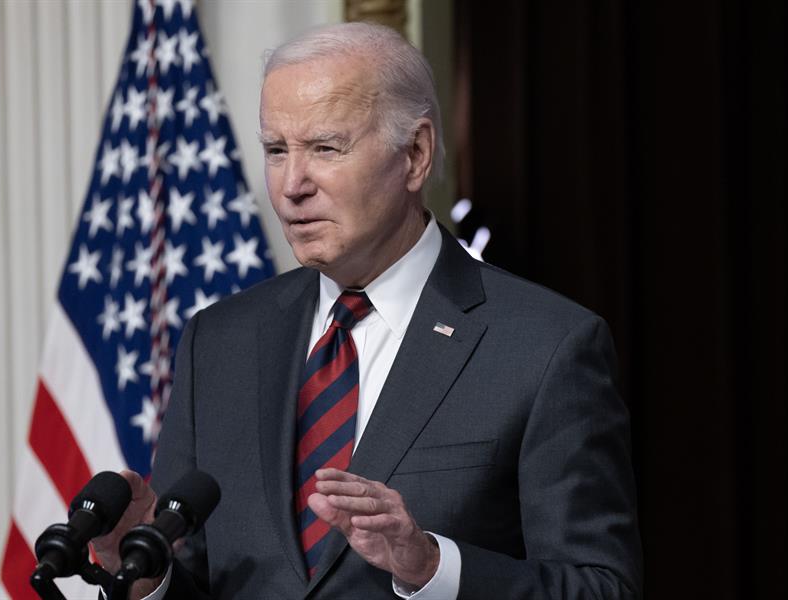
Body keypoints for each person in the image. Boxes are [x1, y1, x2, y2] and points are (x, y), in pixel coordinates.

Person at [93, 21, 643, 599]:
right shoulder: (218, 341)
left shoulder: (547, 346)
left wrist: (432, 567)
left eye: (325, 148)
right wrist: (147, 578)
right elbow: (200, 579)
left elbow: (603, 589)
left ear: (415, 155)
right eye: (276, 150)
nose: (291, 185)